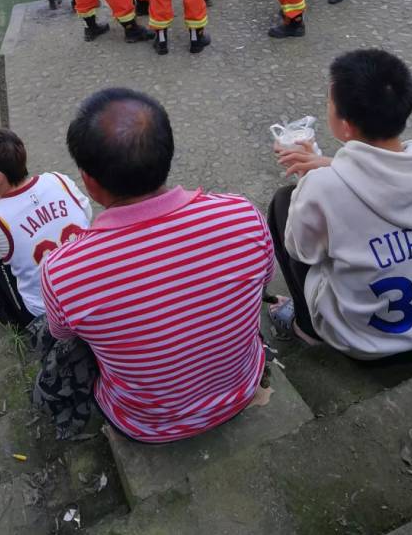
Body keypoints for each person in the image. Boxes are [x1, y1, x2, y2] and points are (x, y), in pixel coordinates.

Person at [41, 87, 275, 443]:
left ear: (89, 181)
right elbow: (264, 283)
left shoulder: (64, 272)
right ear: (167, 153)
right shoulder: (242, 215)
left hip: (146, 425)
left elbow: (62, 335)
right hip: (241, 390)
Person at [268, 49, 412, 360]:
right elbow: (391, 177)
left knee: (284, 203)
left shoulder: (323, 187)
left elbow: (301, 251)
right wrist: (329, 163)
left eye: (329, 103)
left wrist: (318, 178)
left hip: (362, 344)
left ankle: (306, 327)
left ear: (346, 125)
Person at [0, 128, 91, 329]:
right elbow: (86, 216)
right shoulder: (59, 180)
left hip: (46, 310)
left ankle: (12, 315)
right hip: (89, 288)